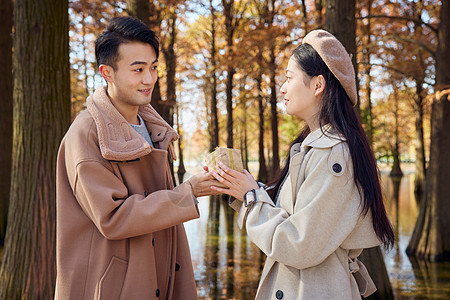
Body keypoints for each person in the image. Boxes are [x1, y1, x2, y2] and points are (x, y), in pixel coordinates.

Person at [210, 29, 395, 299]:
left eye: (289, 77)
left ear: (318, 85)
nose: (282, 88)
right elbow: (294, 214)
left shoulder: (334, 155)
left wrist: (252, 197)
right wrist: (241, 187)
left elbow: (300, 244)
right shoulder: (314, 148)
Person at [55, 16, 218, 299]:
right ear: (107, 72)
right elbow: (113, 217)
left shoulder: (155, 128)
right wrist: (186, 193)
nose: (149, 79)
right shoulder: (85, 135)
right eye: (138, 69)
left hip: (160, 274)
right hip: (111, 287)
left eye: (153, 67)